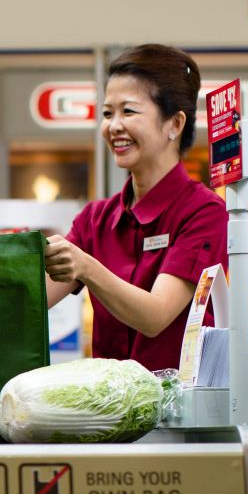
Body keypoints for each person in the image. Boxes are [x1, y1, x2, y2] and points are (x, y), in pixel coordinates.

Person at [42, 44, 227, 370]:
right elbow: (33, 300)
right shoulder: (94, 220)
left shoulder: (204, 212)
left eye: (128, 112)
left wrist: (87, 267)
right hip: (111, 414)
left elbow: (155, 315)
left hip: (180, 417)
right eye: (107, 113)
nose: (113, 126)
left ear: (175, 124)